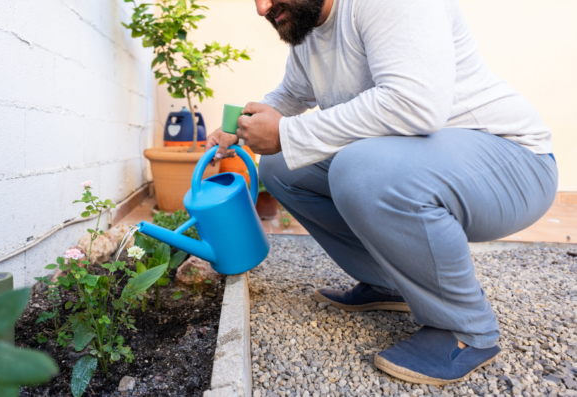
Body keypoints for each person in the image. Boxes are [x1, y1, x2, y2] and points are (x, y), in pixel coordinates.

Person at [207, 0, 557, 385]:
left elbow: (415, 104)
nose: (261, 8)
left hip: (512, 162)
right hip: (425, 161)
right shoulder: (309, 27)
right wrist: (243, 124)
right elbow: (291, 94)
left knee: (359, 169)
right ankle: (390, 283)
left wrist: (287, 133)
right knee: (280, 165)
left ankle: (465, 329)